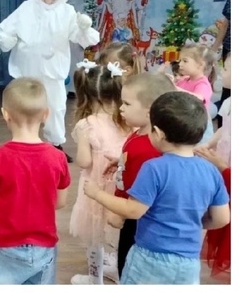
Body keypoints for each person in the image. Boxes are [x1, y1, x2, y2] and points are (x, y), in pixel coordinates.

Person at [83, 89, 229, 284]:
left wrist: (96, 193)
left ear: (158, 133)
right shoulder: (211, 171)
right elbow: (222, 218)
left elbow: (133, 210)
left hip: (150, 256)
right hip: (189, 262)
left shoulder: (154, 168)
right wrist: (190, 223)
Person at [0, 0, 101, 150]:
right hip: (26, 70)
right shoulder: (26, 8)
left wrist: (84, 28)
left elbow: (82, 38)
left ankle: (55, 144)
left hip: (53, 71)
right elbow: (7, 31)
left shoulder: (67, 12)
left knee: (56, 107)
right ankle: (24, 139)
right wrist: (6, 39)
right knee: (24, 105)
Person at [0, 77, 72, 285]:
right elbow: (60, 202)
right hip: (43, 244)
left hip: (3, 243)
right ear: (46, 114)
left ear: (5, 114)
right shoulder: (58, 158)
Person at [68, 59, 129, 283]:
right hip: (121, 188)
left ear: (85, 94)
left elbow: (84, 162)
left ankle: (95, 280)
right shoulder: (127, 119)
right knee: (118, 231)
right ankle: (118, 269)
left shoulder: (87, 125)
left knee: (94, 236)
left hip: (96, 189)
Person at [113, 70, 178, 278]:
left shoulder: (149, 147)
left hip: (138, 217)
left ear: (149, 111)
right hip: (132, 211)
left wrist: (120, 212)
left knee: (127, 262)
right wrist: (120, 162)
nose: (121, 108)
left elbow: (140, 188)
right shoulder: (140, 133)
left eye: (127, 103)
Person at [199, 56, 230, 278]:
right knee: (223, 204)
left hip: (229, 166)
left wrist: (222, 164)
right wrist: (208, 145)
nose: (222, 73)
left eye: (226, 69)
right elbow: (223, 128)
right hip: (223, 163)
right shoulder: (229, 103)